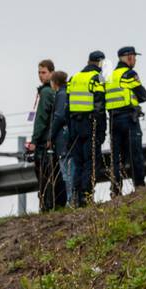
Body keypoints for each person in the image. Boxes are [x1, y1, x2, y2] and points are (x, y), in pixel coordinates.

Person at [106, 46, 146, 195]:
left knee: (116, 158)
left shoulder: (109, 76)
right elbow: (143, 95)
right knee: (135, 154)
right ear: (129, 57)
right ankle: (139, 186)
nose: (135, 60)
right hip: (129, 119)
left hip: (113, 121)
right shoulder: (129, 74)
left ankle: (116, 190)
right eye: (134, 57)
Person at [67, 52, 108, 207]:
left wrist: (70, 130)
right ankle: (86, 196)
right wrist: (102, 131)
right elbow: (100, 107)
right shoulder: (98, 78)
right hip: (90, 124)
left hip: (75, 125)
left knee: (78, 162)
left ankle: (76, 195)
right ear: (100, 63)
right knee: (91, 161)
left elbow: (67, 108)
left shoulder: (74, 78)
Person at [29, 60, 67, 211]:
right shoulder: (54, 91)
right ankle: (58, 205)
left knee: (45, 176)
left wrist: (34, 140)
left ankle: (47, 207)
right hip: (55, 138)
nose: (40, 75)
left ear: (52, 73)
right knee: (56, 174)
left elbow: (41, 119)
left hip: (45, 140)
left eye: (43, 72)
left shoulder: (46, 92)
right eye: (39, 72)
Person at [49, 72, 76, 207]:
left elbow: (59, 116)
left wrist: (50, 136)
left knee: (67, 171)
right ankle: (73, 199)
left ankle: (71, 200)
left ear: (54, 82)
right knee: (70, 169)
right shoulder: (68, 93)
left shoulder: (60, 95)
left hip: (63, 137)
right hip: (69, 134)